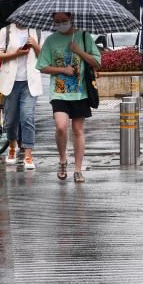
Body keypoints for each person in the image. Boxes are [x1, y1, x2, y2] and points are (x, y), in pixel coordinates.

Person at [37, 12, 102, 183]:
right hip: (59, 93)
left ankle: (78, 169)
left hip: (80, 92)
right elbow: (42, 66)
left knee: (78, 130)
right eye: (57, 22)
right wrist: (62, 70)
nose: (60, 24)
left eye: (63, 21)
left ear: (71, 19)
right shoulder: (51, 40)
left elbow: (97, 62)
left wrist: (78, 51)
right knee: (61, 126)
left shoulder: (83, 36)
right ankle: (62, 159)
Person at [0, 20, 43, 169]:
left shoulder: (36, 31)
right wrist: (15, 54)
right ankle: (12, 147)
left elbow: (44, 57)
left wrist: (35, 45)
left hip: (30, 82)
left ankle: (28, 154)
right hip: (11, 82)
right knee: (11, 119)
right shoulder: (6, 31)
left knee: (27, 116)